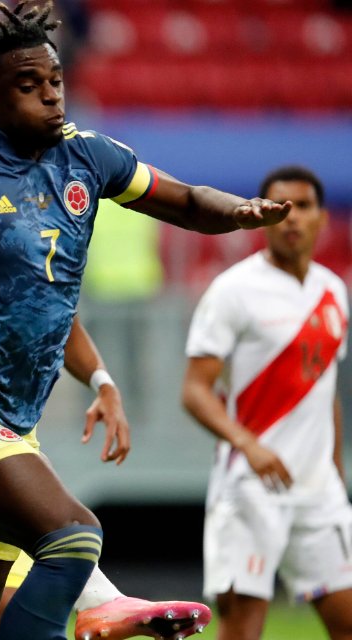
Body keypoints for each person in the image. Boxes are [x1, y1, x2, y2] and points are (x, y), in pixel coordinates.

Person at [0, 2, 291, 639]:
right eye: (28, 86)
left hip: (10, 422)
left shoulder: (89, 157)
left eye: (55, 82)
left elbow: (185, 201)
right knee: (73, 537)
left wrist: (238, 212)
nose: (50, 98)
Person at [181, 166, 352, 640]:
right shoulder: (233, 290)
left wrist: (335, 474)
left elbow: (325, 388)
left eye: (305, 206)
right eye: (282, 208)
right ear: (264, 215)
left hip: (318, 493)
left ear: (323, 218)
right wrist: (248, 444)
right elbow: (195, 391)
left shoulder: (333, 292)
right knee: (243, 631)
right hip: (251, 487)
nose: (292, 218)